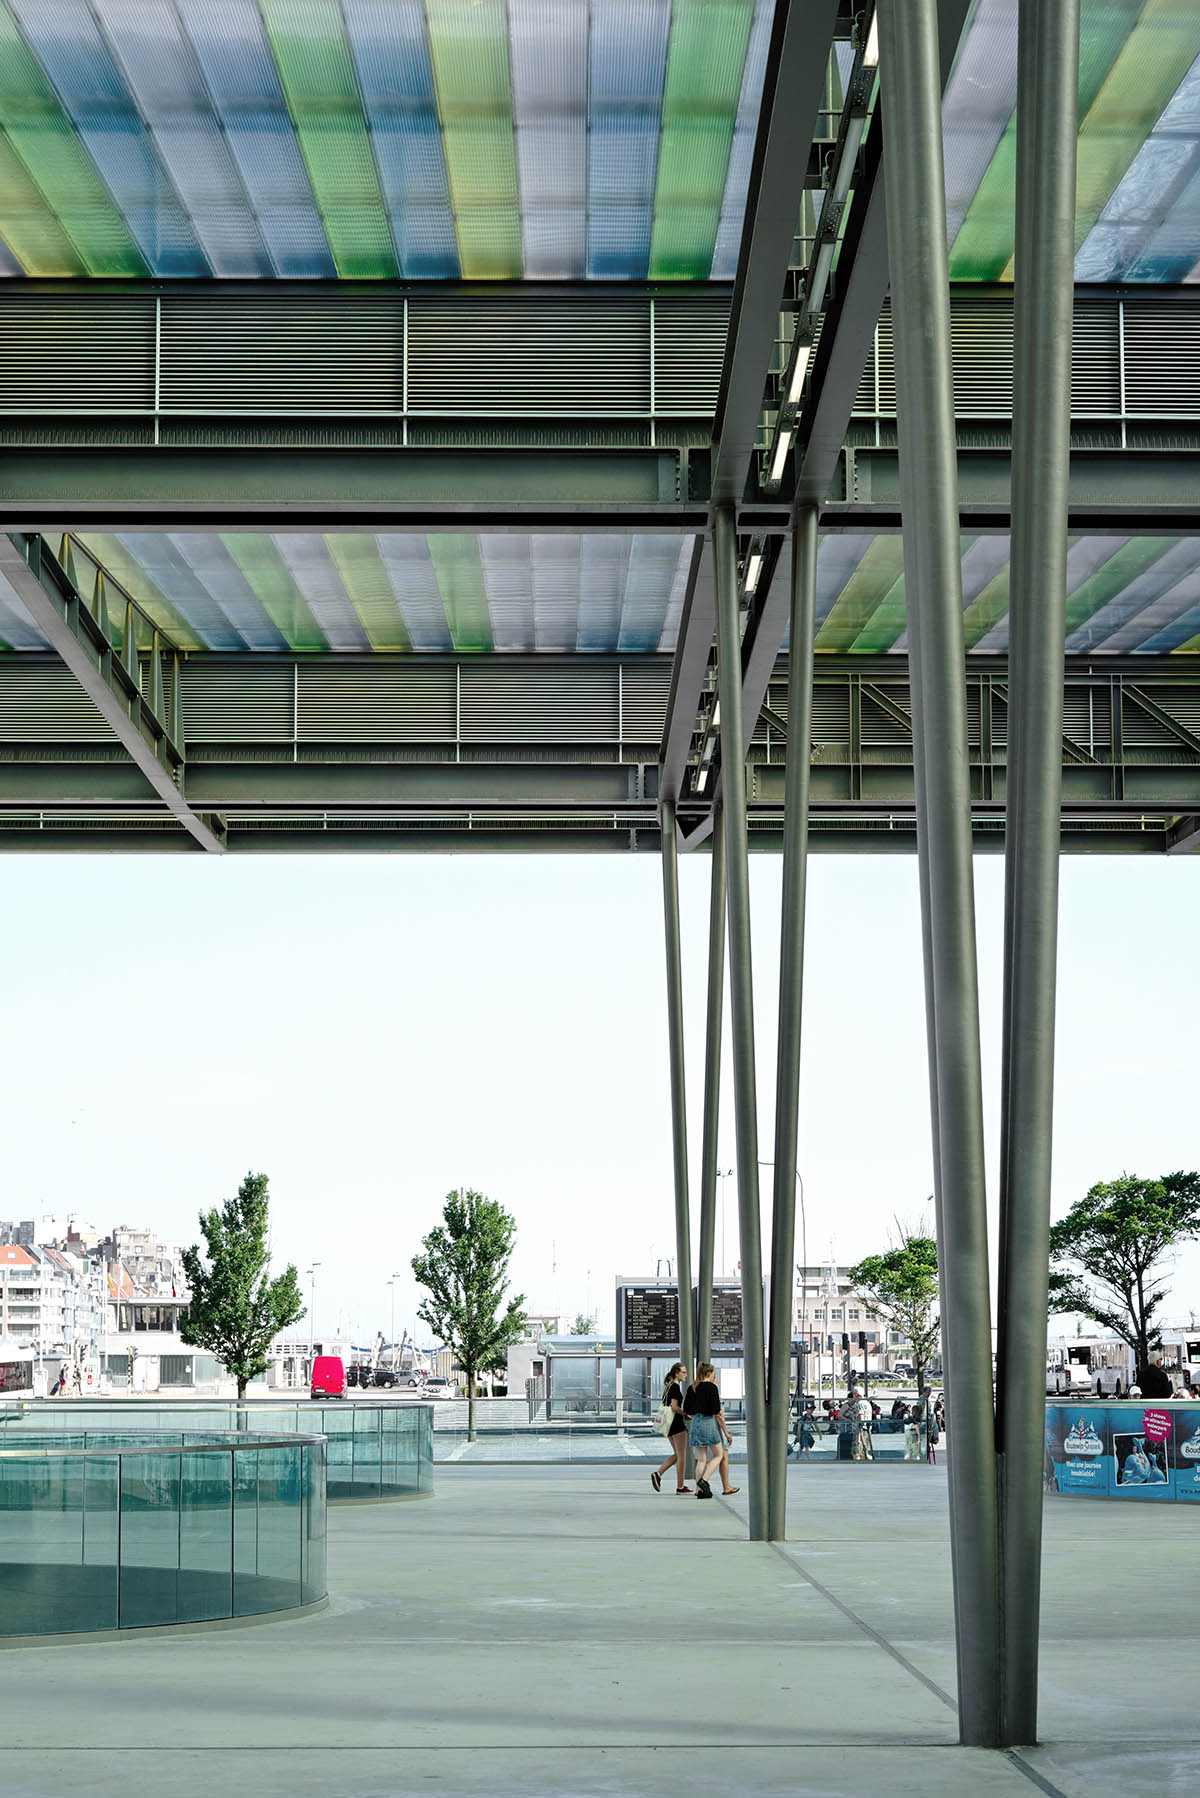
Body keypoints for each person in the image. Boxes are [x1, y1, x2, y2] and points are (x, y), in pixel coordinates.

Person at [685, 1362, 737, 1499]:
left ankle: (699, 1490)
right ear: (709, 1373)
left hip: (695, 1423)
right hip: (708, 1423)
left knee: (701, 1459)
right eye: (713, 1373)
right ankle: (704, 1480)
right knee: (718, 1455)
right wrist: (727, 1433)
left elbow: (687, 1410)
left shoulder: (692, 1387)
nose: (714, 1375)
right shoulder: (712, 1388)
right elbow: (716, 1411)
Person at [650, 1362, 691, 1495]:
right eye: (683, 1372)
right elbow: (674, 1407)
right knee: (681, 1455)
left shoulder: (668, 1386)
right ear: (676, 1373)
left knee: (678, 1454)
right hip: (676, 1423)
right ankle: (679, 1486)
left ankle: (659, 1474)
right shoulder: (675, 1387)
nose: (686, 1375)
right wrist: (685, 1414)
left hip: (668, 1424)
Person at [844, 1386, 873, 1461]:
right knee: (864, 1452)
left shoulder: (860, 1404)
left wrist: (859, 1435)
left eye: (853, 1393)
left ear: (856, 1394)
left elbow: (861, 1417)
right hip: (866, 1429)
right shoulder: (866, 1403)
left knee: (856, 1452)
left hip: (860, 1430)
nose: (853, 1395)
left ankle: (856, 1466)